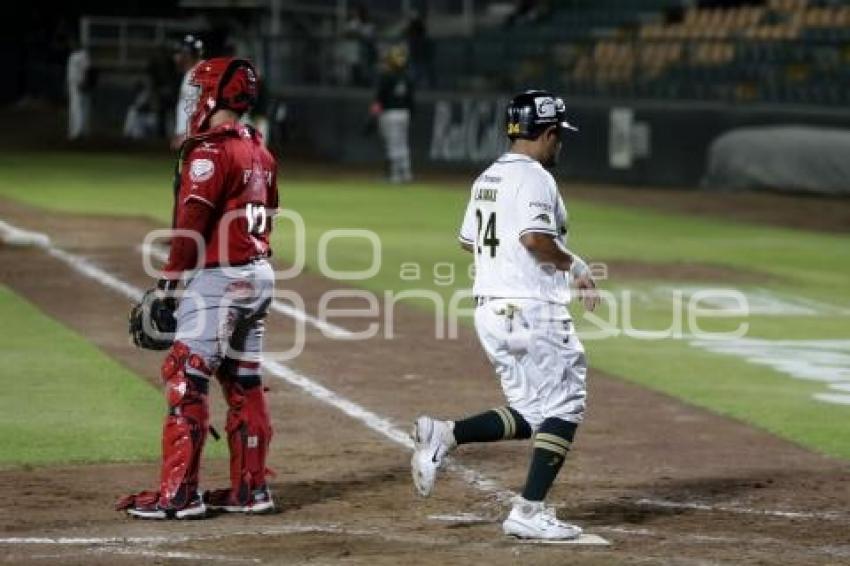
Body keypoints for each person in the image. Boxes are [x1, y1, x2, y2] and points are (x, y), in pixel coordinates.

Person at [410, 90, 599, 540]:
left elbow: (467, 240)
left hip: (492, 309)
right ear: (548, 133)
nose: (560, 144)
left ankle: (445, 434)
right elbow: (536, 238)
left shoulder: (487, 176)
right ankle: (529, 512)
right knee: (566, 404)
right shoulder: (535, 178)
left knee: (535, 410)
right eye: (558, 136)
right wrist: (574, 263)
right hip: (530, 308)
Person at [117, 57, 279, 520]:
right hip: (257, 273)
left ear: (212, 95)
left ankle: (179, 495)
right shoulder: (261, 150)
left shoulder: (210, 152)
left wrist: (168, 284)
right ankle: (251, 490)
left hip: (220, 277)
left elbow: (191, 222)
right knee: (244, 380)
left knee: (185, 376)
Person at [371, 46, 414, 184]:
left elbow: (379, 98)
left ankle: (395, 174)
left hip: (390, 113)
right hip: (404, 113)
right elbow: (411, 100)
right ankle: (406, 173)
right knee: (402, 144)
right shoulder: (407, 77)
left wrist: (374, 113)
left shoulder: (387, 76)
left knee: (393, 144)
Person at [171, 34, 204, 150]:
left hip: (197, 135)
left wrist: (184, 133)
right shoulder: (192, 73)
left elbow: (195, 108)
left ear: (188, 55)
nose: (176, 57)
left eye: (179, 53)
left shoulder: (200, 74)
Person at [66, 37, 92, 140]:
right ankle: (74, 131)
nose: (71, 45)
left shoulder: (83, 54)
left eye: (74, 43)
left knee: (78, 108)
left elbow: (87, 70)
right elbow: (70, 73)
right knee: (74, 108)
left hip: (79, 84)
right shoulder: (73, 55)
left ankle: (79, 132)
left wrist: (85, 82)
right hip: (72, 84)